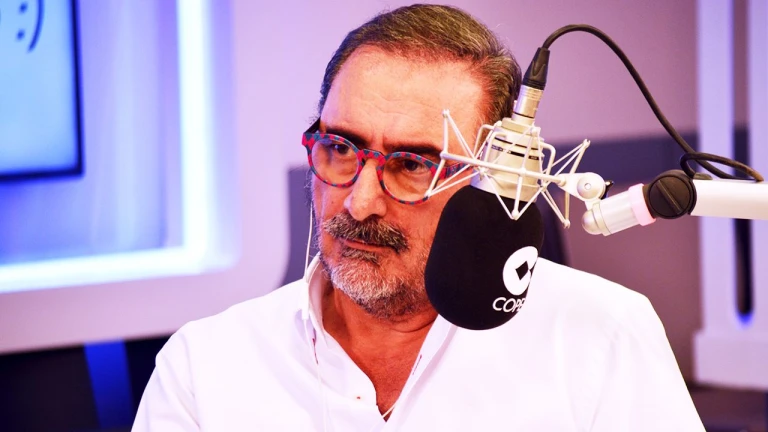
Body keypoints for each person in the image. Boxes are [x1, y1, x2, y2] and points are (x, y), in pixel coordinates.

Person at [133, 4, 704, 431]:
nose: (359, 202)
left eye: (412, 164)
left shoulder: (600, 336)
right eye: (341, 148)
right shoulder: (205, 368)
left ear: (490, 182)